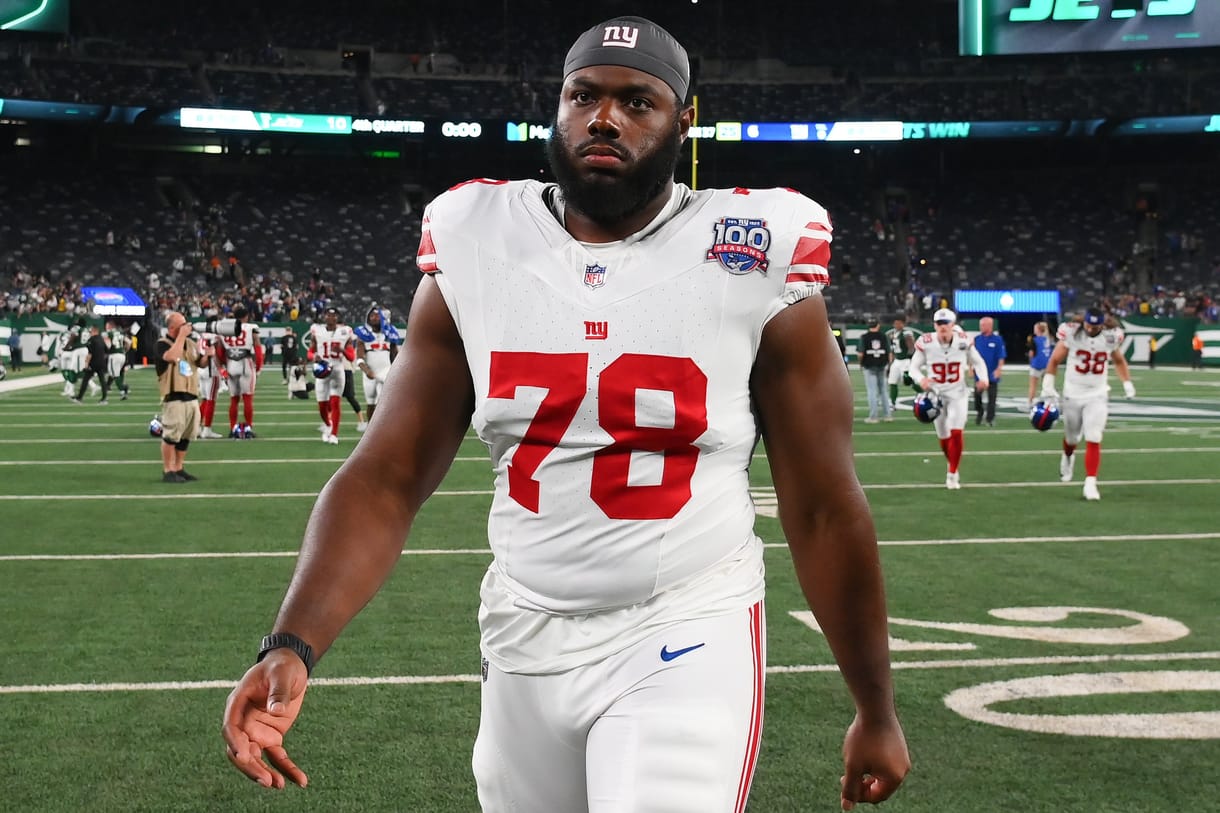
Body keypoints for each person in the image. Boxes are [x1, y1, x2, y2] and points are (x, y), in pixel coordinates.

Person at [222, 16, 908, 813]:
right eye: (583, 95)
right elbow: (386, 472)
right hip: (522, 630)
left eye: (638, 101)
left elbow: (825, 507)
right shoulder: (476, 238)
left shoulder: (752, 248)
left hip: (686, 623)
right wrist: (293, 643)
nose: (604, 118)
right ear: (557, 105)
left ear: (684, 122)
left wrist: (875, 706)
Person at [1040, 307, 1135, 501]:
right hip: (1073, 393)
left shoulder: (1111, 337)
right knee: (1072, 438)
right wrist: (1048, 386)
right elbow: (1055, 360)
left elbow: (1119, 361)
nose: (1090, 329)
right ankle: (1067, 456)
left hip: (1097, 393)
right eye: (1088, 325)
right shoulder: (1072, 333)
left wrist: (1127, 383)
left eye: (1095, 326)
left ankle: (1090, 482)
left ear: (1102, 324)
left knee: (1094, 436)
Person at [908, 308, 989, 489]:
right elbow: (913, 367)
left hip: (958, 393)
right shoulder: (927, 342)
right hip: (935, 395)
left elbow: (978, 361)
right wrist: (921, 379)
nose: (943, 327)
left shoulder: (963, 341)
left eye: (946, 324)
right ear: (935, 325)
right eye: (939, 324)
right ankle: (952, 463)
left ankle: (952, 474)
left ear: (953, 325)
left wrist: (984, 378)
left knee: (956, 431)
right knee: (943, 437)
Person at [154, 311, 209, 482]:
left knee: (186, 436)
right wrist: (182, 337)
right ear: (171, 328)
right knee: (171, 436)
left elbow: (200, 363)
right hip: (174, 396)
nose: (186, 327)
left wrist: (209, 354)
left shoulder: (190, 344)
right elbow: (172, 356)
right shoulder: (162, 344)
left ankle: (178, 467)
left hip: (191, 395)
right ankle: (168, 470)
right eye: (181, 325)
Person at [306, 306, 355, 444]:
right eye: (328, 315)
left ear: (337, 318)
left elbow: (351, 357)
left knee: (335, 402)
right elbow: (310, 352)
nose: (331, 318)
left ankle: (334, 434)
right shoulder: (317, 331)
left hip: (338, 369)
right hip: (322, 369)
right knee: (322, 405)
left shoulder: (345, 332)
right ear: (324, 317)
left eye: (333, 315)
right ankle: (328, 425)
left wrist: (342, 350)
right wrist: (314, 356)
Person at [353, 304, 401, 428]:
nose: (374, 318)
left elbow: (395, 355)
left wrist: (398, 371)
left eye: (377, 315)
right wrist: (366, 370)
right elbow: (359, 357)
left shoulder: (390, 333)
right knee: (370, 402)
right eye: (371, 315)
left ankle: (384, 427)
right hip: (370, 372)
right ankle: (371, 428)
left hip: (386, 371)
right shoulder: (363, 335)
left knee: (383, 400)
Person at [219, 304, 262, 438]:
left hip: (231, 363)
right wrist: (259, 365)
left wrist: (223, 365)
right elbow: (258, 348)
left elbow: (220, 350)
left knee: (234, 399)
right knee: (248, 398)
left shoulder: (225, 328)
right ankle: (248, 427)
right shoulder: (251, 328)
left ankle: (233, 428)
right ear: (246, 316)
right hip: (245, 363)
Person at [972, 316, 1005, 426]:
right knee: (977, 397)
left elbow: (1001, 356)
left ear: (989, 326)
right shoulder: (976, 339)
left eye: (983, 325)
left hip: (992, 373)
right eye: (980, 325)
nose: (980, 327)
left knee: (992, 398)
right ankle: (980, 412)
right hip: (979, 375)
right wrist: (971, 368)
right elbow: (971, 355)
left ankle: (990, 419)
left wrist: (999, 369)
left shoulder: (998, 340)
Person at [857, 317, 891, 423]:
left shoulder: (864, 337)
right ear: (878, 325)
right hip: (882, 365)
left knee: (872, 391)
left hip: (869, 365)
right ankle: (887, 415)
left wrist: (860, 363)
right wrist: (889, 364)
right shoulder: (884, 336)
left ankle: (873, 416)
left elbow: (860, 353)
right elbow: (889, 353)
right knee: (883, 391)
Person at [72, 325, 112, 405]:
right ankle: (104, 398)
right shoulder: (101, 339)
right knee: (102, 381)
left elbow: (90, 353)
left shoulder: (91, 340)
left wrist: (86, 363)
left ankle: (79, 398)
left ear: (94, 331)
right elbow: (107, 351)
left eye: (91, 331)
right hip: (101, 363)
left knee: (85, 380)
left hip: (93, 363)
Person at [885, 313, 916, 407]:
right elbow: (893, 350)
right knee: (892, 381)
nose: (896, 325)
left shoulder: (907, 333)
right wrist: (890, 364)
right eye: (895, 323)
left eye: (898, 323)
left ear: (903, 323)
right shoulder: (893, 333)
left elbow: (911, 348)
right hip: (897, 361)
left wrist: (910, 360)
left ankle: (923, 394)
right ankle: (892, 403)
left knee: (909, 382)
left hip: (905, 361)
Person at [1025, 320, 1052, 409]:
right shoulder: (1048, 340)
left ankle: (1030, 402)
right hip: (1047, 365)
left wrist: (1030, 360)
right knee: (1046, 386)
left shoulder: (1034, 340)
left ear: (1038, 330)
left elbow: (1032, 353)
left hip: (1036, 365)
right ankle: (1048, 403)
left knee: (1033, 386)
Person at [104, 320, 132, 400]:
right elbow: (129, 342)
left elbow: (108, 345)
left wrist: (107, 350)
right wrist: (125, 350)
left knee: (115, 374)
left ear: (110, 326)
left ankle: (123, 390)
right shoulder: (120, 333)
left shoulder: (109, 333)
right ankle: (107, 387)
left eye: (107, 326)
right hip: (122, 355)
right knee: (113, 373)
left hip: (114, 355)